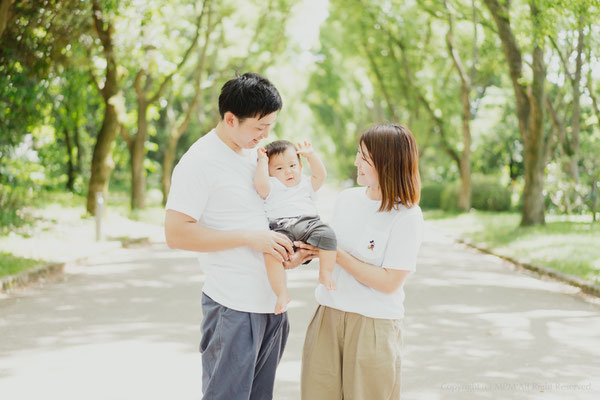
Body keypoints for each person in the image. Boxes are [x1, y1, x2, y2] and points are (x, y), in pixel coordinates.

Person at [164, 72, 317, 400]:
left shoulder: (258, 156)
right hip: (233, 307)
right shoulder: (199, 162)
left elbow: (275, 213)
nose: (265, 135)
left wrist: (294, 254)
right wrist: (249, 238)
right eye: (259, 127)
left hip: (272, 307)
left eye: (271, 126)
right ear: (230, 119)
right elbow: (176, 234)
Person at [300, 123, 424, 400]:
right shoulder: (347, 199)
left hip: (373, 326)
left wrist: (338, 256)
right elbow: (328, 250)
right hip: (327, 316)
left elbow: (389, 282)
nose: (356, 162)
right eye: (358, 154)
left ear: (386, 162)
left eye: (364, 157)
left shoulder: (407, 216)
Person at [254, 139, 337, 314]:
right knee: (272, 252)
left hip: (309, 223)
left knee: (328, 235)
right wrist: (262, 161)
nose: (288, 171)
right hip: (281, 227)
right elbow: (260, 185)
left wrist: (311, 156)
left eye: (292, 165)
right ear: (269, 172)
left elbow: (321, 175)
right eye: (279, 168)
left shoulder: (306, 183)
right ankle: (282, 293)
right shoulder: (271, 186)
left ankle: (325, 272)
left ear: (300, 165)